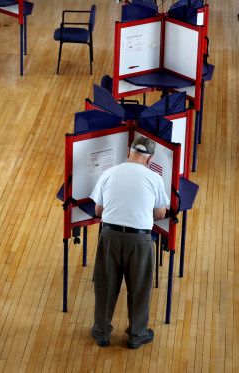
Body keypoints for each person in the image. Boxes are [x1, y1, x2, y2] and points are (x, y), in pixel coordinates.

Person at [89, 136, 170, 349]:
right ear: (150, 159)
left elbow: (98, 211)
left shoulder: (109, 173)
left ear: (128, 152)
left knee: (105, 286)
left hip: (109, 236)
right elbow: (160, 212)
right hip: (140, 240)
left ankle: (102, 333)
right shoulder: (155, 178)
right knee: (140, 288)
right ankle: (136, 335)